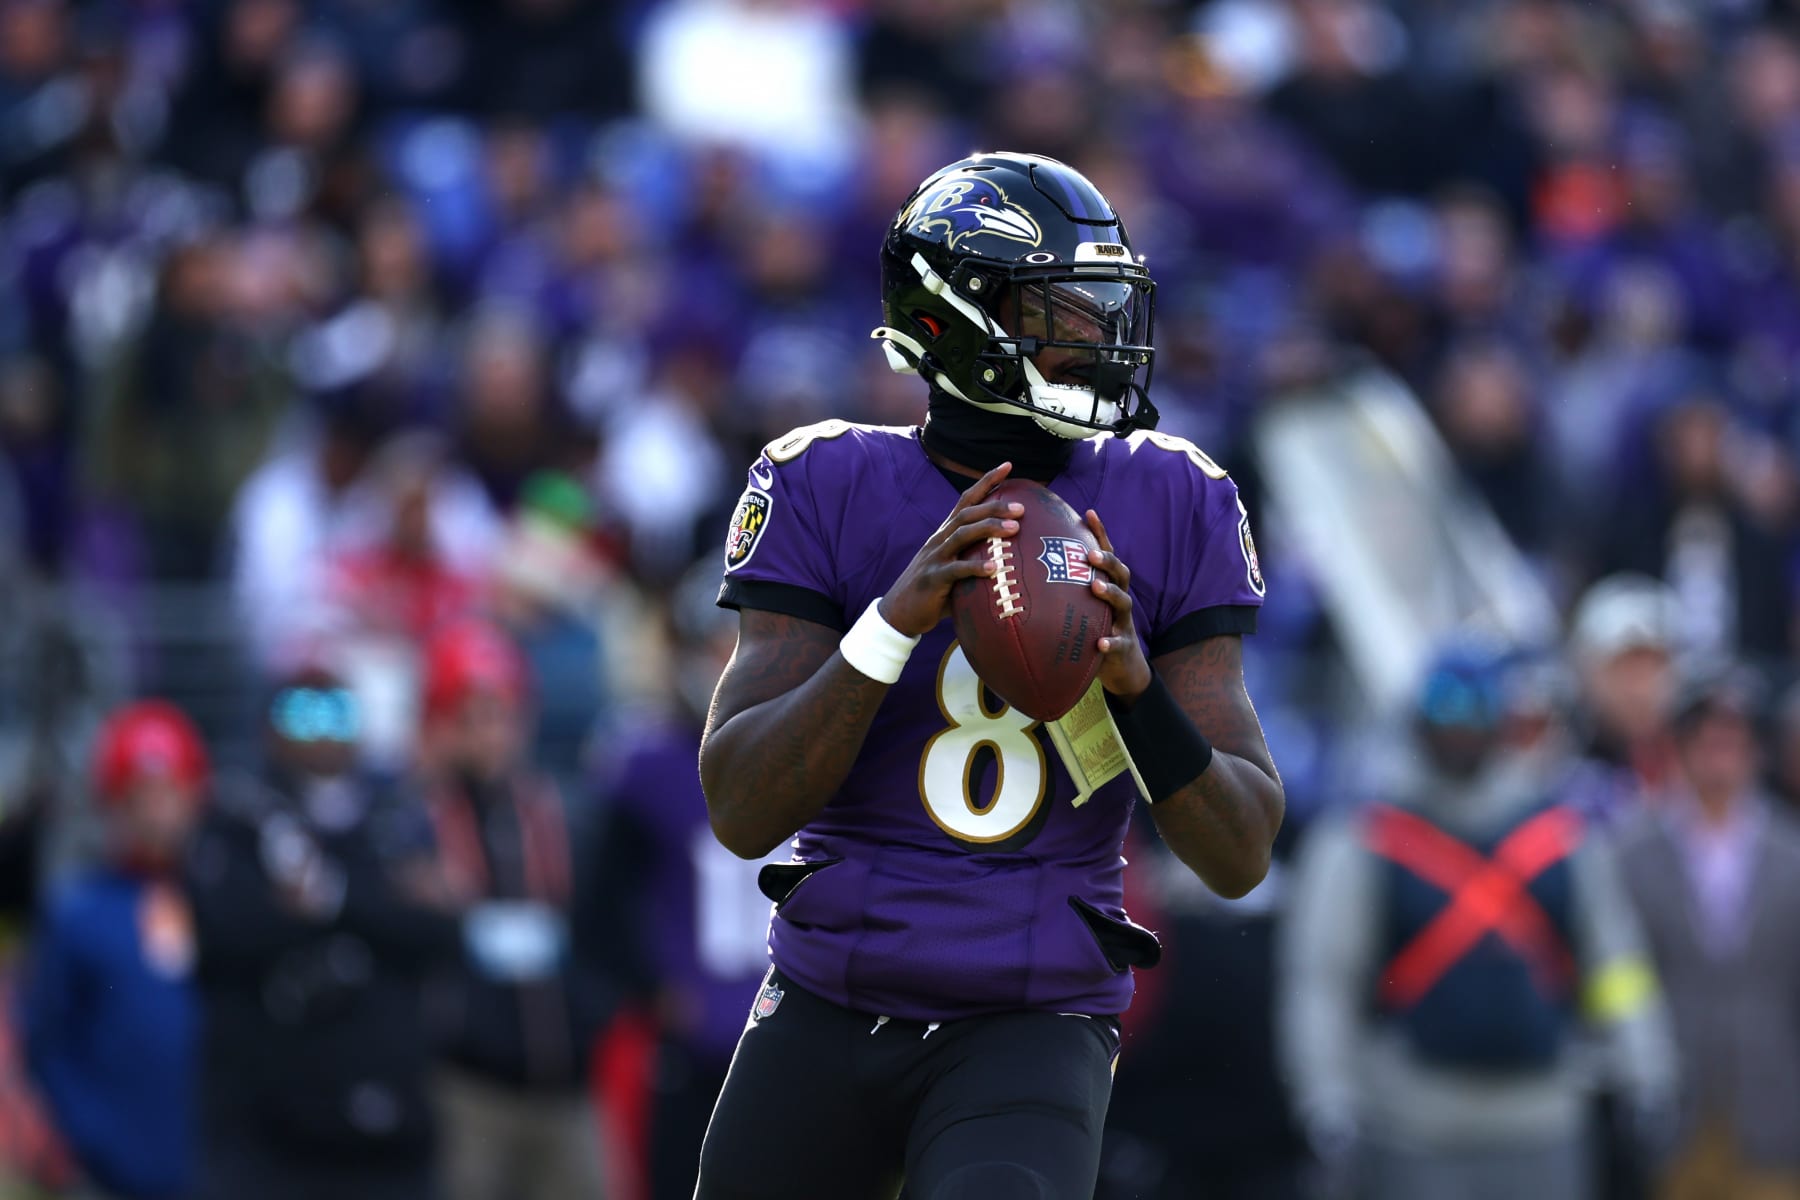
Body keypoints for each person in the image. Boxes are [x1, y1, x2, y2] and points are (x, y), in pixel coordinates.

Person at [695, 152, 1284, 1200]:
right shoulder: (824, 479)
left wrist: (1137, 694)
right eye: (1064, 310)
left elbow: (1240, 852)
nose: (1103, 337)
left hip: (1033, 1010)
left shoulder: (1177, 496)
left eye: (1107, 307)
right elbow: (741, 806)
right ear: (952, 318)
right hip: (832, 987)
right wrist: (886, 630)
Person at [1279, 641, 1675, 1200]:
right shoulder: (1365, 839)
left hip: (1545, 1123)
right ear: (1417, 719)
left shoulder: (1561, 839)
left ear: (1501, 722)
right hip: (1413, 1127)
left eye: (1475, 710)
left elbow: (1616, 966)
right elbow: (1324, 983)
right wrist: (1326, 1103)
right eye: (1446, 709)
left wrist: (1646, 1072)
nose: (1460, 726)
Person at [185, 666, 463, 1200]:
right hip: (275, 1119)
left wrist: (330, 897)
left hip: (391, 1117)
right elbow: (224, 931)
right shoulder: (239, 814)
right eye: (301, 715)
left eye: (336, 714)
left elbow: (437, 928)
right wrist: (371, 902)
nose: (320, 731)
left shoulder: (398, 815)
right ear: (268, 726)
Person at [594, 567, 786, 1200]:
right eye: (716, 643)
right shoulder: (644, 762)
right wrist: (654, 987)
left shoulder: (810, 747)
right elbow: (601, 901)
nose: (728, 661)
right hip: (690, 1033)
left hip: (788, 1026)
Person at [413, 620, 612, 1200]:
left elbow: (597, 924)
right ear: (441, 724)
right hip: (469, 1086)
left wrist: (590, 1015)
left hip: (567, 1082)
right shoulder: (415, 820)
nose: (492, 734)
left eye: (502, 713)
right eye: (472, 716)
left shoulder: (558, 812)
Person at [1614, 669, 1800, 1200]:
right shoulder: (1631, 850)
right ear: (1678, 746)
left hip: (1774, 1114)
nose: (1720, 751)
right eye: (1705, 736)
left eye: (1734, 737)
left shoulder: (1792, 853)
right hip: (1672, 1115)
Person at [20, 702, 209, 1200]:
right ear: (112, 804)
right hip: (109, 1173)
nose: (157, 813)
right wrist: (88, 1136)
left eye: (170, 793)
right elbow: (44, 1040)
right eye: (140, 797)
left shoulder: (225, 901)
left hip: (222, 1164)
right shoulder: (79, 911)